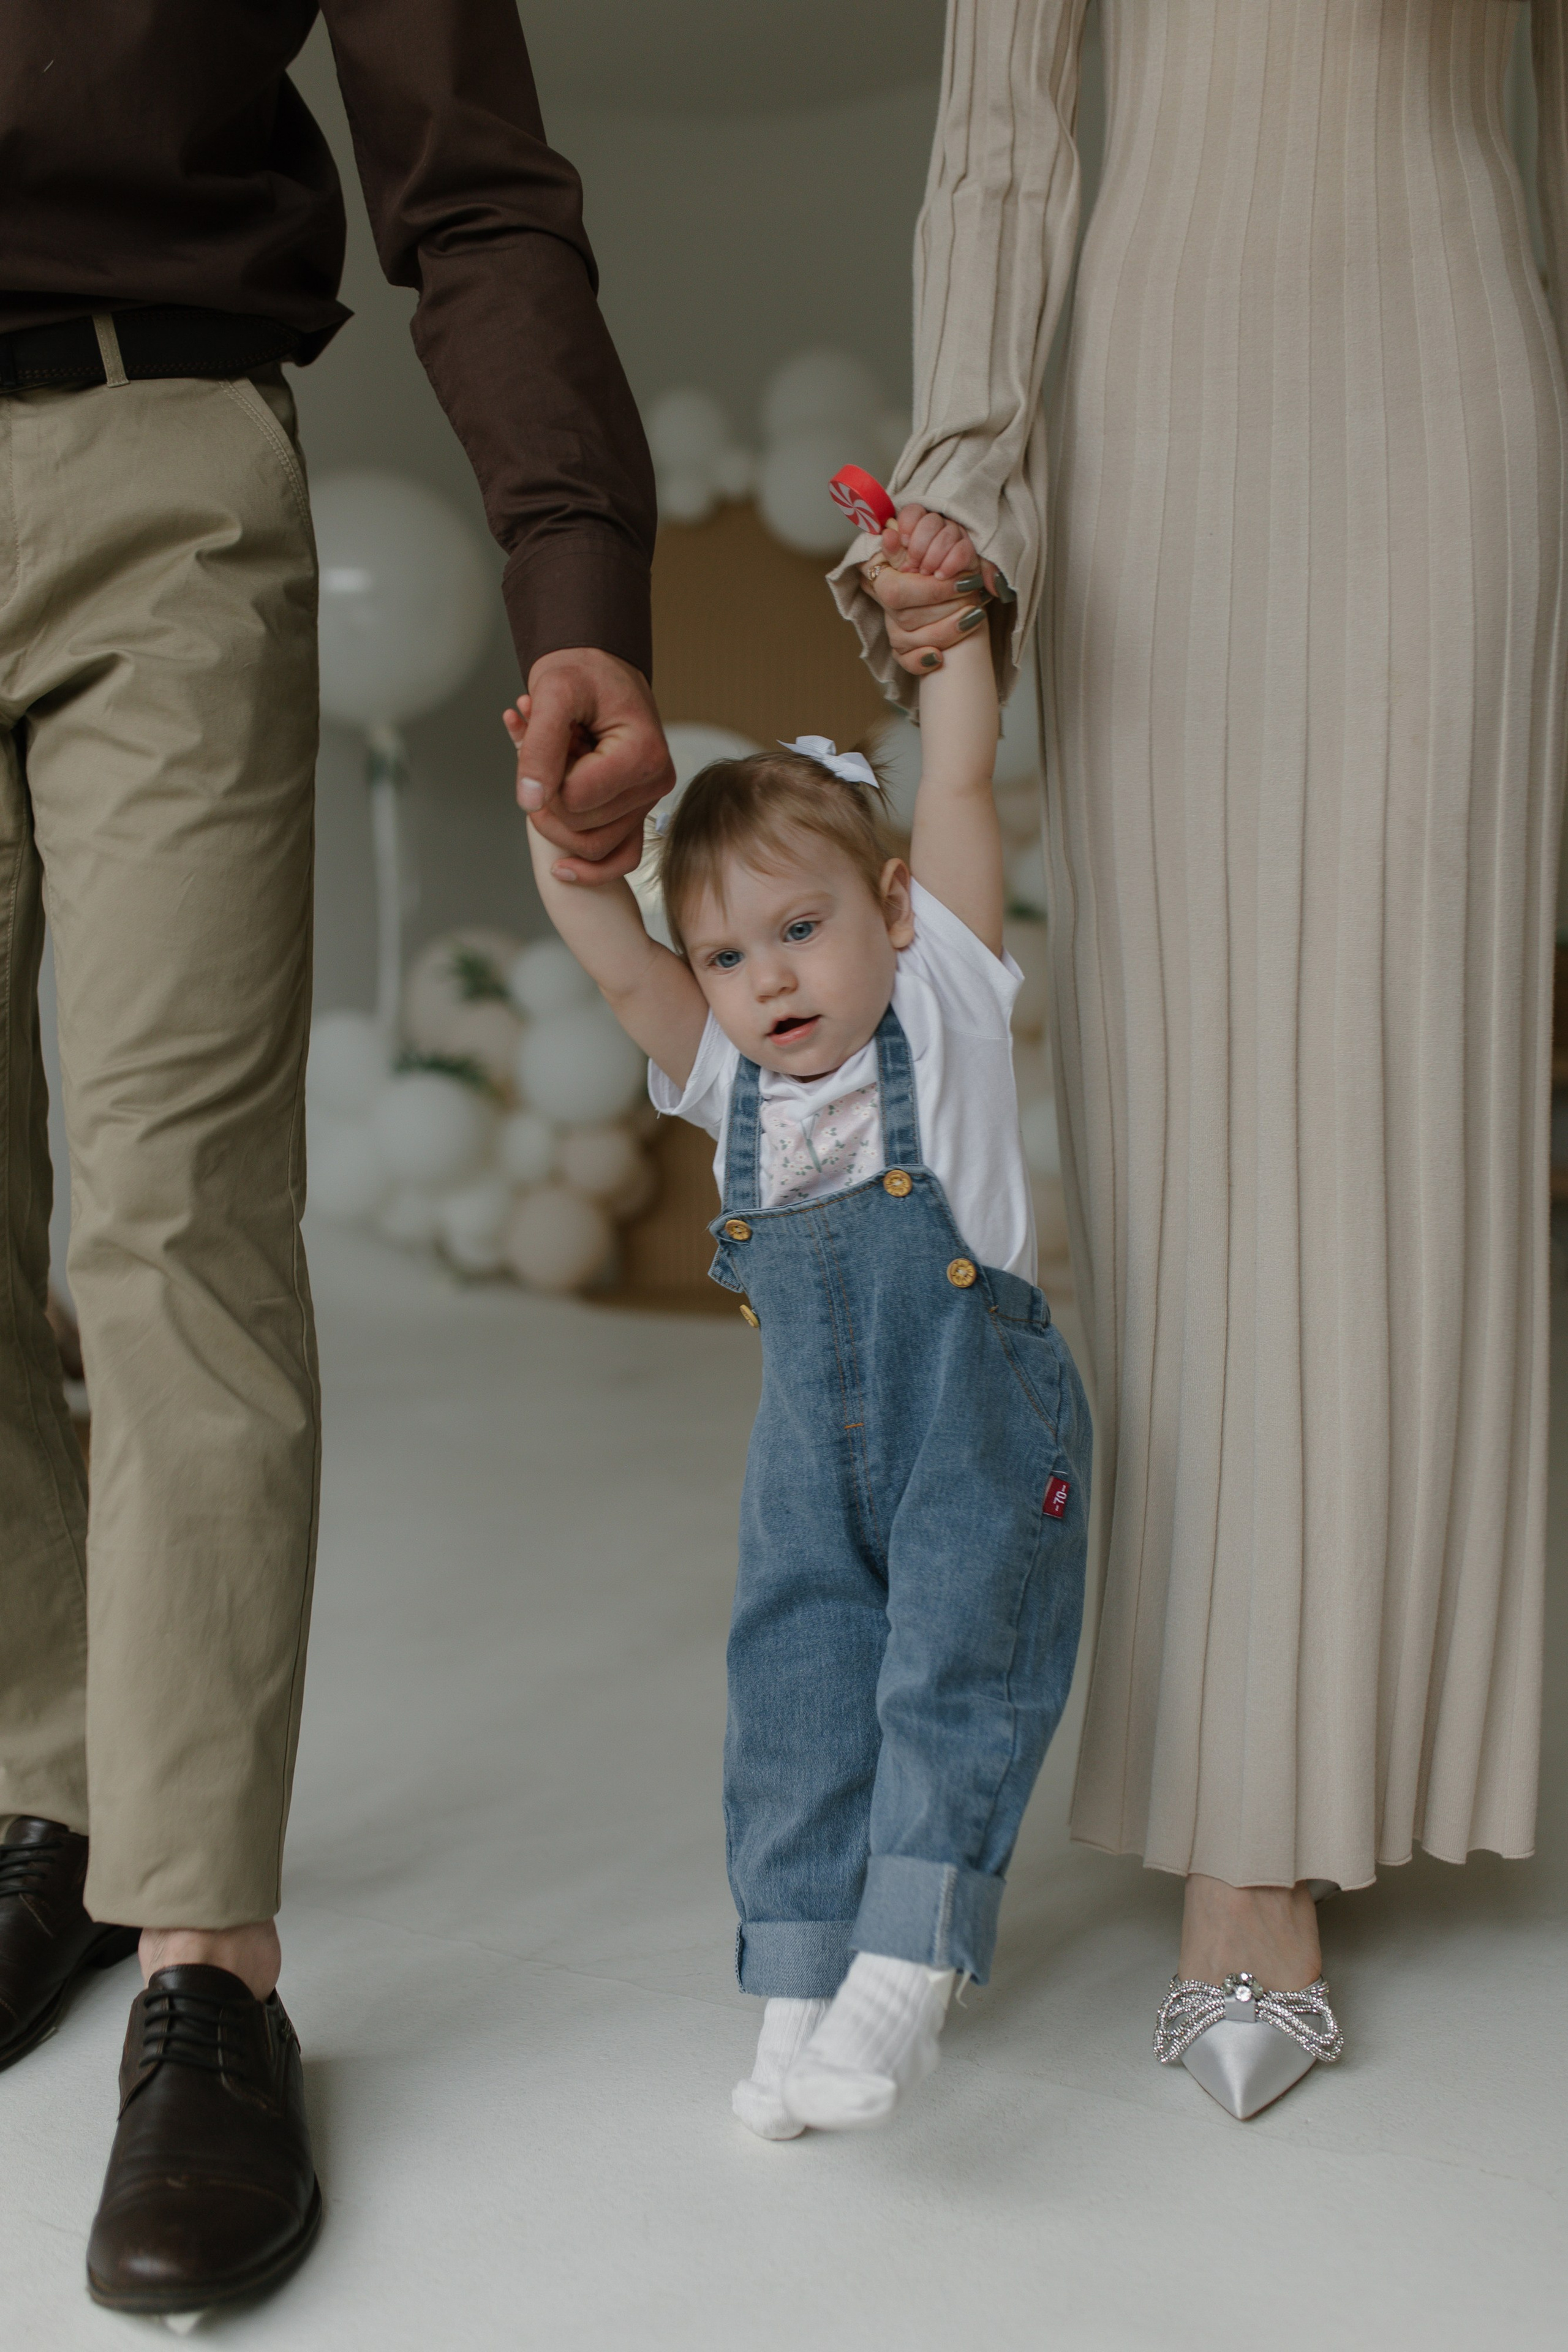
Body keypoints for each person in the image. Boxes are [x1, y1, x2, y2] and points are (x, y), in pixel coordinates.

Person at [0, 0, 669, 2315]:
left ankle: (207, 1952)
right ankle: (51, 1797)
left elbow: (470, 175)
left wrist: (576, 576)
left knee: (175, 1209)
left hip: (156, 462)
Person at [834, 0, 1564, 2118]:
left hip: (1459, 389)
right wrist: (967, 469)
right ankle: (1249, 1839)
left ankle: (1380, 1737)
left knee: (1409, 1103)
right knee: (1200, 1119)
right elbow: (1005, 119)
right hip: (1166, 406)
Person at [510, 523, 1091, 2139]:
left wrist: (954, 646)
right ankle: (798, 1978)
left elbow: (960, 789)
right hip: (810, 1460)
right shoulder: (733, 1085)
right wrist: (572, 858)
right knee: (800, 1676)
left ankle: (907, 1969)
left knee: (949, 1673)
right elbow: (629, 979)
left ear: (890, 910)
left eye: (801, 930)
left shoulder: (945, 1003)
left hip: (978, 1424)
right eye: (731, 953)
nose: (768, 981)